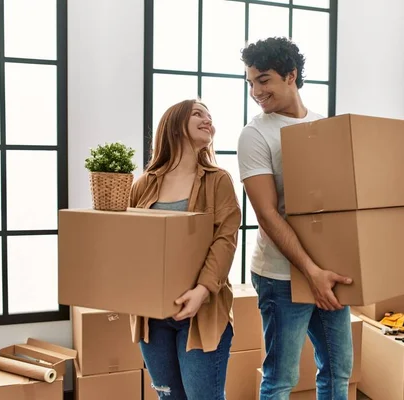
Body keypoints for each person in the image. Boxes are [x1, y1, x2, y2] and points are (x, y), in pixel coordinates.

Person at [237, 37, 354, 399]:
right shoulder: (255, 134)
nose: (256, 91)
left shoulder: (324, 126)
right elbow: (267, 215)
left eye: (264, 80)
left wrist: (332, 268)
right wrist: (311, 272)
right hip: (281, 276)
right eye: (250, 82)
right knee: (281, 378)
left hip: (327, 271)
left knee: (338, 371)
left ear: (291, 75)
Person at [129, 99, 241, 400]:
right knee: (168, 397)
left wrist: (202, 290)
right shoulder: (143, 185)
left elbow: (225, 239)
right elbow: (131, 245)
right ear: (175, 124)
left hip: (201, 312)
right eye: (198, 113)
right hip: (152, 317)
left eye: (210, 116)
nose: (208, 120)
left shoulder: (218, 181)